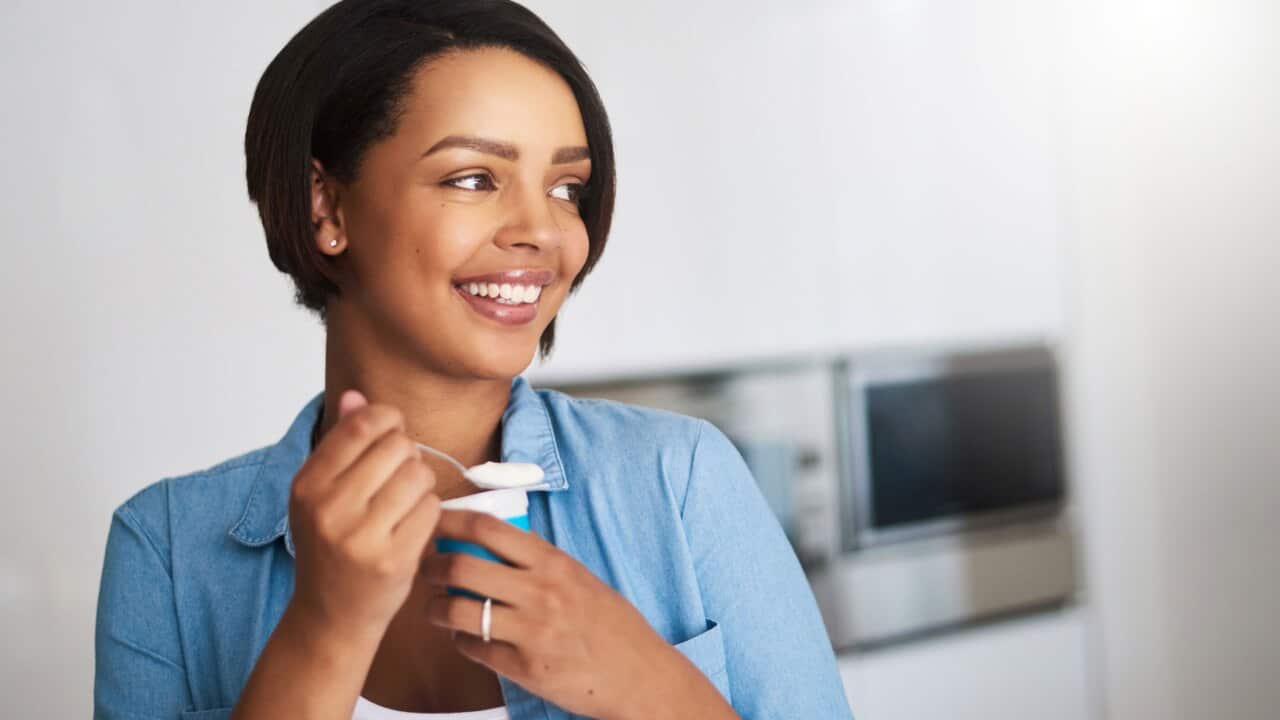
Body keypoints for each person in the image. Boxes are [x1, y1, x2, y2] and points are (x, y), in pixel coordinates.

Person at [93, 1, 855, 718]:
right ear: (325, 206)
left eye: (566, 187)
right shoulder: (166, 549)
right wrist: (325, 629)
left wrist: (648, 684)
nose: (542, 231)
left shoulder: (679, 480)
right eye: (472, 178)